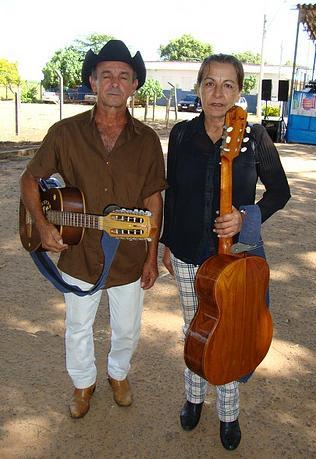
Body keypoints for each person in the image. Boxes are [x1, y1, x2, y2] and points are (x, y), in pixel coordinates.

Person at [20, 40, 166, 419]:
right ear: (92, 81)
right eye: (107, 75)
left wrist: (151, 256)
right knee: (78, 326)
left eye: (123, 76)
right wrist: (41, 223)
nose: (115, 83)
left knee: (128, 328)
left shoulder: (148, 141)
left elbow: (154, 202)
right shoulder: (64, 133)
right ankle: (83, 383)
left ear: (135, 84)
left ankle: (118, 374)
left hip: (130, 257)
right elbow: (30, 179)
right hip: (77, 253)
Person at [161, 54, 291, 451]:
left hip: (235, 257)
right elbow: (175, 192)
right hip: (187, 252)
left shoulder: (255, 138)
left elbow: (280, 192)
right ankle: (194, 398)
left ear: (240, 91)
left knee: (230, 333)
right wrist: (166, 242)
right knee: (194, 329)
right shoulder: (181, 135)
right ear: (199, 88)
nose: (218, 94)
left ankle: (229, 414)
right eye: (209, 84)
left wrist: (246, 218)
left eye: (228, 85)